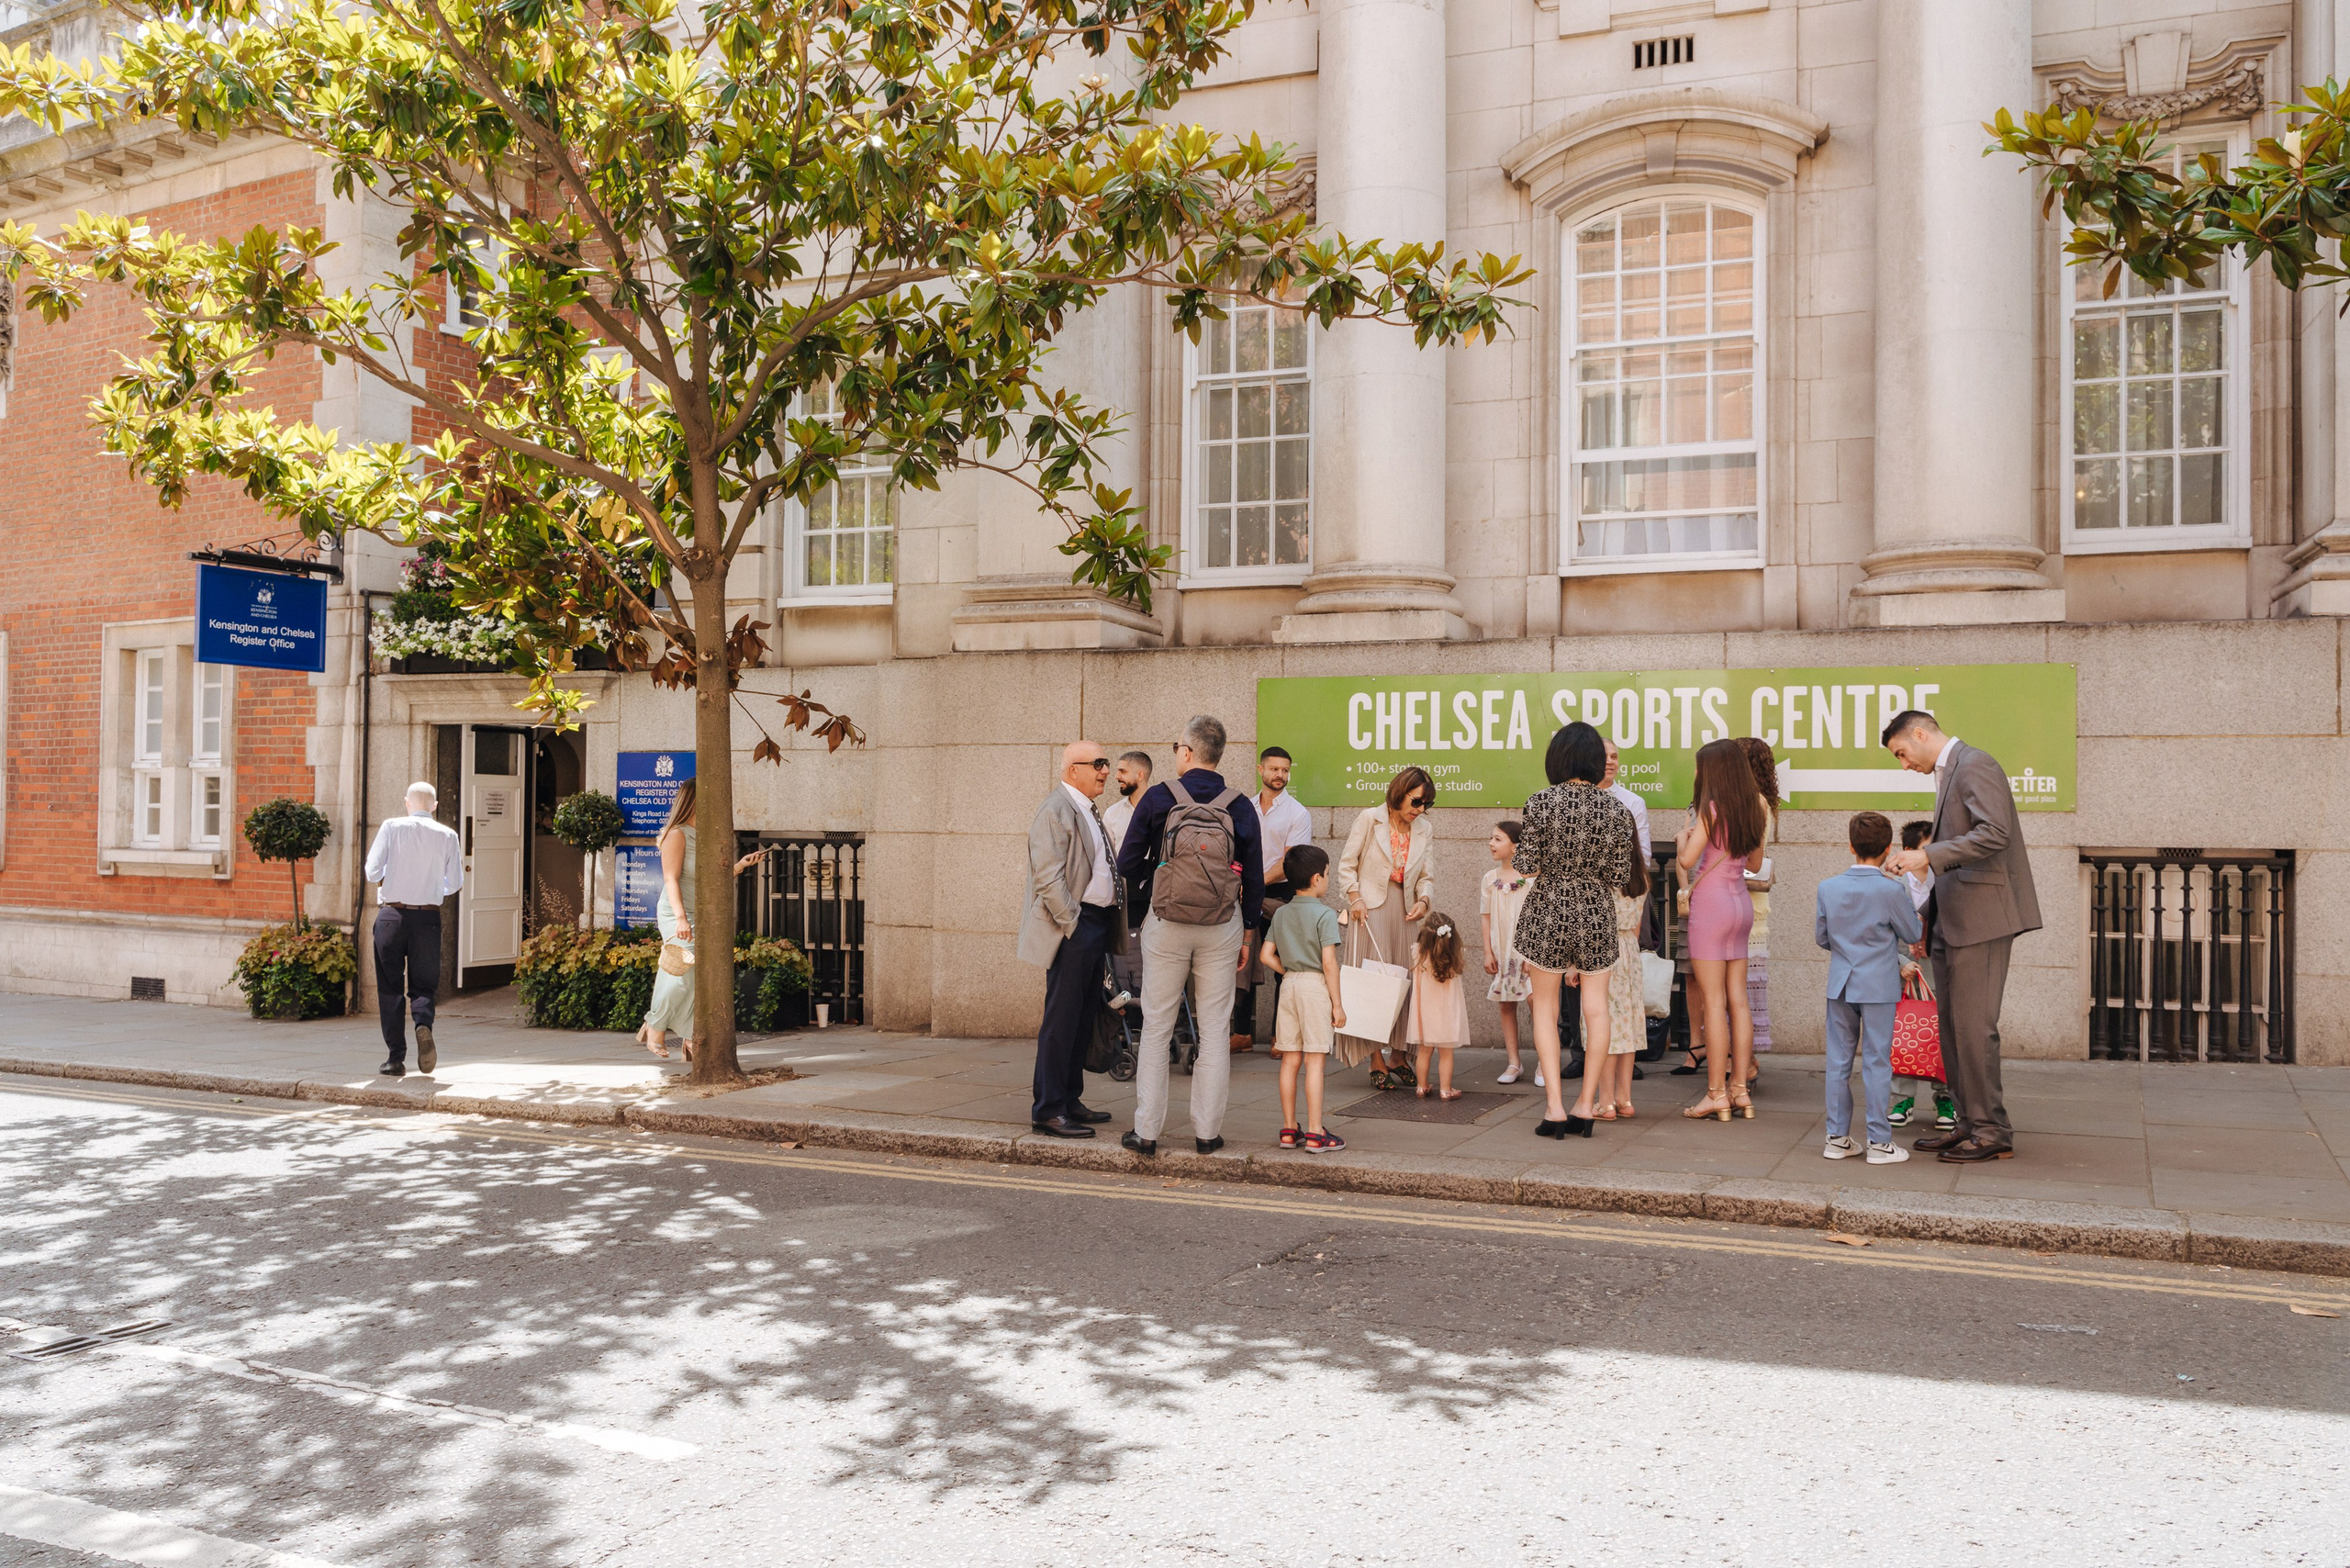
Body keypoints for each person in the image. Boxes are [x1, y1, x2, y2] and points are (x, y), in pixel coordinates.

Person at [1883, 710, 2042, 1162]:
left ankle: (1992, 1131)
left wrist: (1926, 856)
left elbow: (1995, 833)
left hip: (1982, 919)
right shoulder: (1952, 771)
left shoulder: (1975, 764)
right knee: (1951, 1030)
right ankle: (1970, 1125)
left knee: (1974, 1029)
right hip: (1954, 919)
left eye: (1902, 753)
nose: (1904, 764)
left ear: (1919, 733)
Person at [1115, 713, 1263, 1156]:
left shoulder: (1160, 797)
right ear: (1217, 754)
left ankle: (1146, 1132)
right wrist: (1249, 933)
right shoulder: (1240, 805)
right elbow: (1253, 876)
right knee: (1216, 1030)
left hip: (1167, 924)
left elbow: (1126, 863)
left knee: (1158, 1026)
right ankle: (1207, 1134)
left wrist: (1155, 883)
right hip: (1221, 926)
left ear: (1186, 751)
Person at [1512, 722, 1638, 1138]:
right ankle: (1587, 1104)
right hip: (1597, 910)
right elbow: (1621, 874)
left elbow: (1525, 866)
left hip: (1549, 907)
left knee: (1546, 1010)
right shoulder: (1616, 809)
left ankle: (1554, 1109)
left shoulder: (1540, 803)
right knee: (1597, 1009)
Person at [1017, 741, 1123, 1138]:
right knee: (1061, 1020)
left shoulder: (1086, 808)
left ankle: (1069, 1098)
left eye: (1106, 763)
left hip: (1095, 923)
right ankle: (1047, 1109)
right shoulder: (1055, 809)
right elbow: (1048, 877)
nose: (1105, 771)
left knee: (1083, 1018)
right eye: (1097, 764)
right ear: (1072, 769)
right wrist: (1074, 926)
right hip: (1074, 928)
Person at [636, 779, 772, 1066]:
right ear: (695, 801)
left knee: (696, 978)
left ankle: (688, 1039)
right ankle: (655, 1026)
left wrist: (741, 865)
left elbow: (710, 880)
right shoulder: (677, 834)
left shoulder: (706, 835)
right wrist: (682, 918)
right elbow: (671, 879)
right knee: (679, 972)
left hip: (700, 912)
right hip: (677, 913)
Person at [1816, 812, 1923, 1164]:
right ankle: (1879, 1143)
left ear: (1850, 846)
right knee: (1878, 1062)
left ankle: (1836, 1138)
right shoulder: (1890, 889)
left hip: (1841, 982)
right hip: (1878, 983)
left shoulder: (1828, 887)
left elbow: (1823, 938)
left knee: (1838, 1062)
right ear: (1888, 848)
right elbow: (1912, 934)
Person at [1675, 738, 1768, 1122]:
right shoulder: (1755, 806)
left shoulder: (1710, 810)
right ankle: (1740, 1091)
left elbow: (1687, 858)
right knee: (1739, 1001)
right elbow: (1757, 863)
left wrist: (1685, 837)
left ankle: (1715, 1094)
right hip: (1740, 905)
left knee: (1714, 1003)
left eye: (1700, 767)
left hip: (1711, 906)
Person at [1334, 767, 1437, 1087]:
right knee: (1372, 985)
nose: (1419, 810)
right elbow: (1347, 864)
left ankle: (1398, 1055)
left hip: (1405, 913)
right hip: (1369, 910)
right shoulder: (1369, 818)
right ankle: (1375, 1058)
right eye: (1417, 801)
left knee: (1403, 982)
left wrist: (1423, 900)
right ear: (1401, 791)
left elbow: (1427, 877)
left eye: (1425, 805)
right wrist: (1355, 899)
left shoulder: (1424, 829)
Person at [364, 781, 463, 1078]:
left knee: (390, 987)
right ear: (434, 805)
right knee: (424, 984)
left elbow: (372, 872)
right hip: (427, 918)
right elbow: (455, 883)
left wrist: (392, 874)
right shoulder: (448, 835)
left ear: (407, 803)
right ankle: (422, 1024)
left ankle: (395, 1058)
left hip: (391, 915)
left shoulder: (391, 827)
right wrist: (432, 888)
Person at [1259, 844, 1348, 1153]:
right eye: (1326, 874)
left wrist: (1288, 970)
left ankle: (1288, 1129)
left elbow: (1265, 955)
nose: (1327, 879)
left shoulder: (1281, 913)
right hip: (1314, 988)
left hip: (1289, 986)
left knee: (1290, 1059)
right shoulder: (1325, 915)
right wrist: (1337, 1004)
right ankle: (1314, 1132)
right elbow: (1329, 963)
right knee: (1314, 1062)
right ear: (1315, 879)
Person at [1235, 744, 1315, 1051]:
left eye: (1284, 770)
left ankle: (1280, 1036)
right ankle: (1241, 1035)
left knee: (1284, 966)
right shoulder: (1244, 809)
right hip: (1244, 894)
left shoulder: (1298, 813)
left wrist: (1253, 882)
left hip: (1280, 896)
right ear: (1261, 770)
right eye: (1274, 769)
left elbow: (1289, 862)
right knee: (1242, 965)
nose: (1280, 775)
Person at [1888, 819, 1954, 1132]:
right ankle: (1903, 1099)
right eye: (1927, 848)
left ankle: (1946, 1099)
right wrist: (1902, 958)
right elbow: (1880, 933)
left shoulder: (1949, 878)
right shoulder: (1893, 885)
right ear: (1909, 851)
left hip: (1942, 967)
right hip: (1905, 971)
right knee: (1903, 1033)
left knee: (1944, 1035)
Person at [1582, 852, 1650, 1123]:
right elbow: (1636, 924)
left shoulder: (1600, 871)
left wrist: (1577, 964)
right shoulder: (1639, 874)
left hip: (1603, 948)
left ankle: (1606, 1101)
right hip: (1630, 951)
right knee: (1627, 1025)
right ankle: (1625, 1098)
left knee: (1604, 1024)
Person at [1738, 735, 1781, 1066]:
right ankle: (1743, 1061)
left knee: (1741, 989)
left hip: (1744, 900)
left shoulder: (1752, 802)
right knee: (1743, 987)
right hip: (1749, 901)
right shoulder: (1761, 801)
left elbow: (1751, 860)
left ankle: (1744, 1062)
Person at [1480, 822, 1533, 1083]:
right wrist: (1488, 952)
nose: (1491, 843)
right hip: (1503, 951)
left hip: (1529, 953)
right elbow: (1486, 917)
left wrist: (1534, 953)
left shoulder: (1532, 878)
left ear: (1515, 846)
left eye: (1498, 839)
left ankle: (1546, 1063)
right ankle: (1514, 1063)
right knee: (1506, 1004)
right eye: (1492, 838)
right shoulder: (1490, 879)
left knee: (1539, 1004)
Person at [1407, 913, 1472, 1100]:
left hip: (1424, 1012)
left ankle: (1421, 1086)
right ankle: (1445, 1089)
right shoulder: (1455, 955)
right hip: (1446, 1014)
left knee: (1424, 1052)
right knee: (1446, 1054)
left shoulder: (1418, 952)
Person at [1601, 737, 1653, 860]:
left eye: (1614, 757)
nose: (1609, 761)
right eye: (1603, 757)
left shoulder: (1633, 802)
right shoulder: (1577, 799)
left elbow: (1643, 854)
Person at [1103, 751, 1153, 856]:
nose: (1117, 776)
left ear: (1140, 775)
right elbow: (1105, 855)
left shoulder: (1162, 810)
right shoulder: (1112, 813)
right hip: (1120, 872)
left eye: (1123, 771)